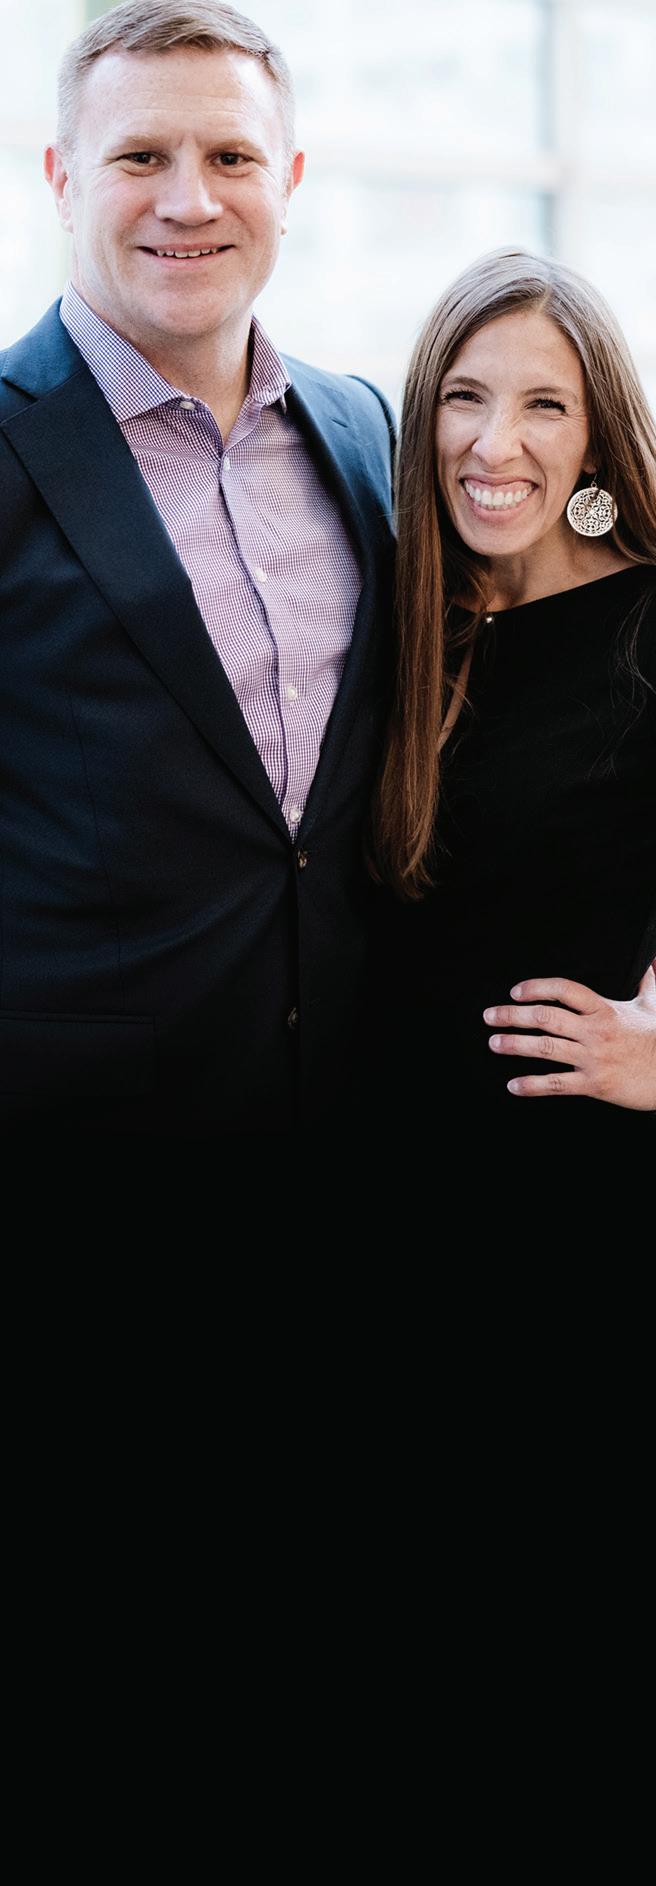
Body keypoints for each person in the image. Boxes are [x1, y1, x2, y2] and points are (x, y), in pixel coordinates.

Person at [0, 0, 394, 1133]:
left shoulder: (364, 429)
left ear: (289, 182)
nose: (189, 200)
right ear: (62, 179)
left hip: (353, 1106)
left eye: (232, 157)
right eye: (140, 158)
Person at [371, 249, 656, 1124]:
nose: (495, 444)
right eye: (465, 396)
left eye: (546, 405)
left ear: (597, 439)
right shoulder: (400, 607)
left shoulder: (646, 621)